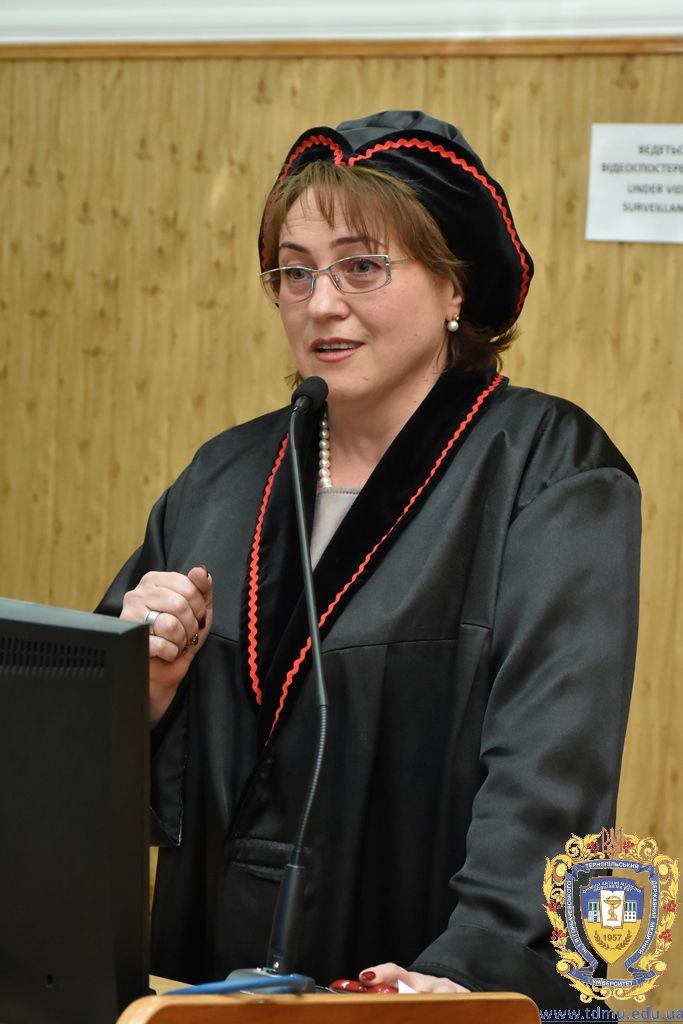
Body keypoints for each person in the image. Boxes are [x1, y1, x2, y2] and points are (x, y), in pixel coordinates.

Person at [98, 110, 640, 1008]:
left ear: (453, 284)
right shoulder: (222, 478)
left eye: (361, 266)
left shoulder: (547, 471)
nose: (320, 303)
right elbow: (75, 752)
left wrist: (472, 964)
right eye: (295, 272)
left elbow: (553, 765)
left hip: (416, 978)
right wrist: (143, 692)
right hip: (204, 979)